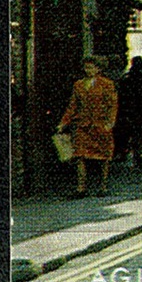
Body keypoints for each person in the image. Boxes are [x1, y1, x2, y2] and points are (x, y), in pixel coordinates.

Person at [57, 57, 117, 197]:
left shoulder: (107, 84)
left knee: (103, 157)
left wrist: (110, 122)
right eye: (86, 68)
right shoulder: (78, 85)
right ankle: (81, 188)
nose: (88, 70)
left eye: (91, 68)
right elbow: (73, 106)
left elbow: (112, 104)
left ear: (98, 69)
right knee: (80, 156)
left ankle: (103, 187)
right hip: (83, 125)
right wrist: (64, 122)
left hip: (100, 124)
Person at [115, 56, 142, 168]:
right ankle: (139, 153)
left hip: (130, 109)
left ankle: (135, 153)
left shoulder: (127, 77)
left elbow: (122, 94)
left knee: (132, 133)